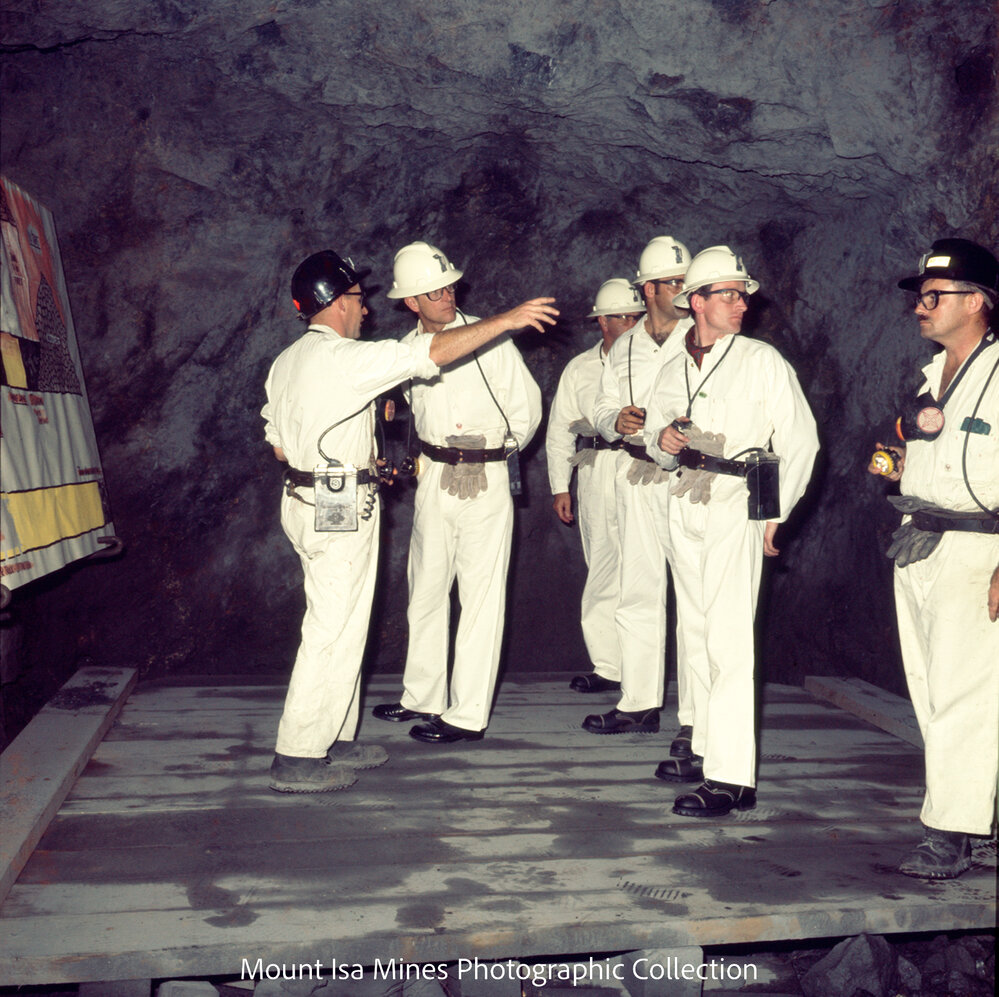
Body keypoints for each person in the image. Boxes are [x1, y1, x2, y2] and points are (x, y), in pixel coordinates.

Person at [262, 249, 557, 790]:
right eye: (356, 299)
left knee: (346, 623)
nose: (365, 310)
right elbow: (430, 354)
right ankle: (299, 753)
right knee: (332, 628)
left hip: (311, 498)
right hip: (339, 508)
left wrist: (348, 451)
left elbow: (280, 446)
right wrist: (509, 318)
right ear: (334, 302)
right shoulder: (347, 358)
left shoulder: (289, 361)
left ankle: (335, 737)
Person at [645, 245, 819, 817]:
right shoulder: (672, 366)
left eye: (742, 294)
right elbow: (654, 439)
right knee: (693, 630)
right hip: (684, 499)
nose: (741, 303)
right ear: (695, 302)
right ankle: (701, 744)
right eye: (728, 294)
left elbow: (800, 442)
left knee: (727, 638)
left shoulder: (761, 360)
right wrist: (664, 444)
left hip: (736, 502)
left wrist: (776, 514)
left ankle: (732, 776)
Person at [372, 242, 543, 744]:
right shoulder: (406, 350)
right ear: (411, 302)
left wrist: (494, 453)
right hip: (433, 476)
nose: (446, 295)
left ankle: (466, 715)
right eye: (433, 291)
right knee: (424, 588)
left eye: (448, 285)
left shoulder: (490, 340)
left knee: (480, 597)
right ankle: (423, 695)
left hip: (482, 478)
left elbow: (527, 408)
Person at [869, 237, 999, 878]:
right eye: (920, 298)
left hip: (978, 548)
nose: (921, 307)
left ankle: (948, 831)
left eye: (934, 296)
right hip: (918, 541)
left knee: (964, 692)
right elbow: (898, 457)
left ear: (976, 301)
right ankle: (978, 822)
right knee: (930, 690)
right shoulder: (926, 379)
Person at [585, 236, 693, 741]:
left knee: (694, 599)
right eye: (674, 283)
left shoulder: (702, 336)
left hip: (686, 479)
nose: (683, 290)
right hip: (635, 475)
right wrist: (616, 420)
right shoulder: (625, 344)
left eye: (685, 281)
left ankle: (696, 718)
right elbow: (602, 406)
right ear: (648, 289)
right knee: (636, 591)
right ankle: (639, 701)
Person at [546, 279, 645, 694]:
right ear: (601, 321)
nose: (632, 324)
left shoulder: (652, 363)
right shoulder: (580, 368)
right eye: (622, 317)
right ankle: (608, 667)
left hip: (640, 466)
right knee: (602, 566)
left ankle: (642, 672)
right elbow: (560, 430)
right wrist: (559, 487)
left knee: (641, 569)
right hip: (594, 467)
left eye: (637, 316)